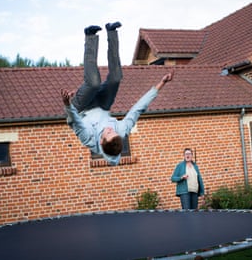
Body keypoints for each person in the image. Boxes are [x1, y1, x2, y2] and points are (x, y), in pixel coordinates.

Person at [61, 22, 174, 165]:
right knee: (116, 78)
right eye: (113, 131)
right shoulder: (120, 131)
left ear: (101, 142)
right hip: (101, 105)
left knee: (94, 83)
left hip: (79, 109)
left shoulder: (88, 138)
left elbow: (75, 120)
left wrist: (67, 103)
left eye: (108, 133)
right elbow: (137, 109)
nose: (110, 129)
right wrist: (161, 83)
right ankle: (112, 32)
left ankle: (90, 36)